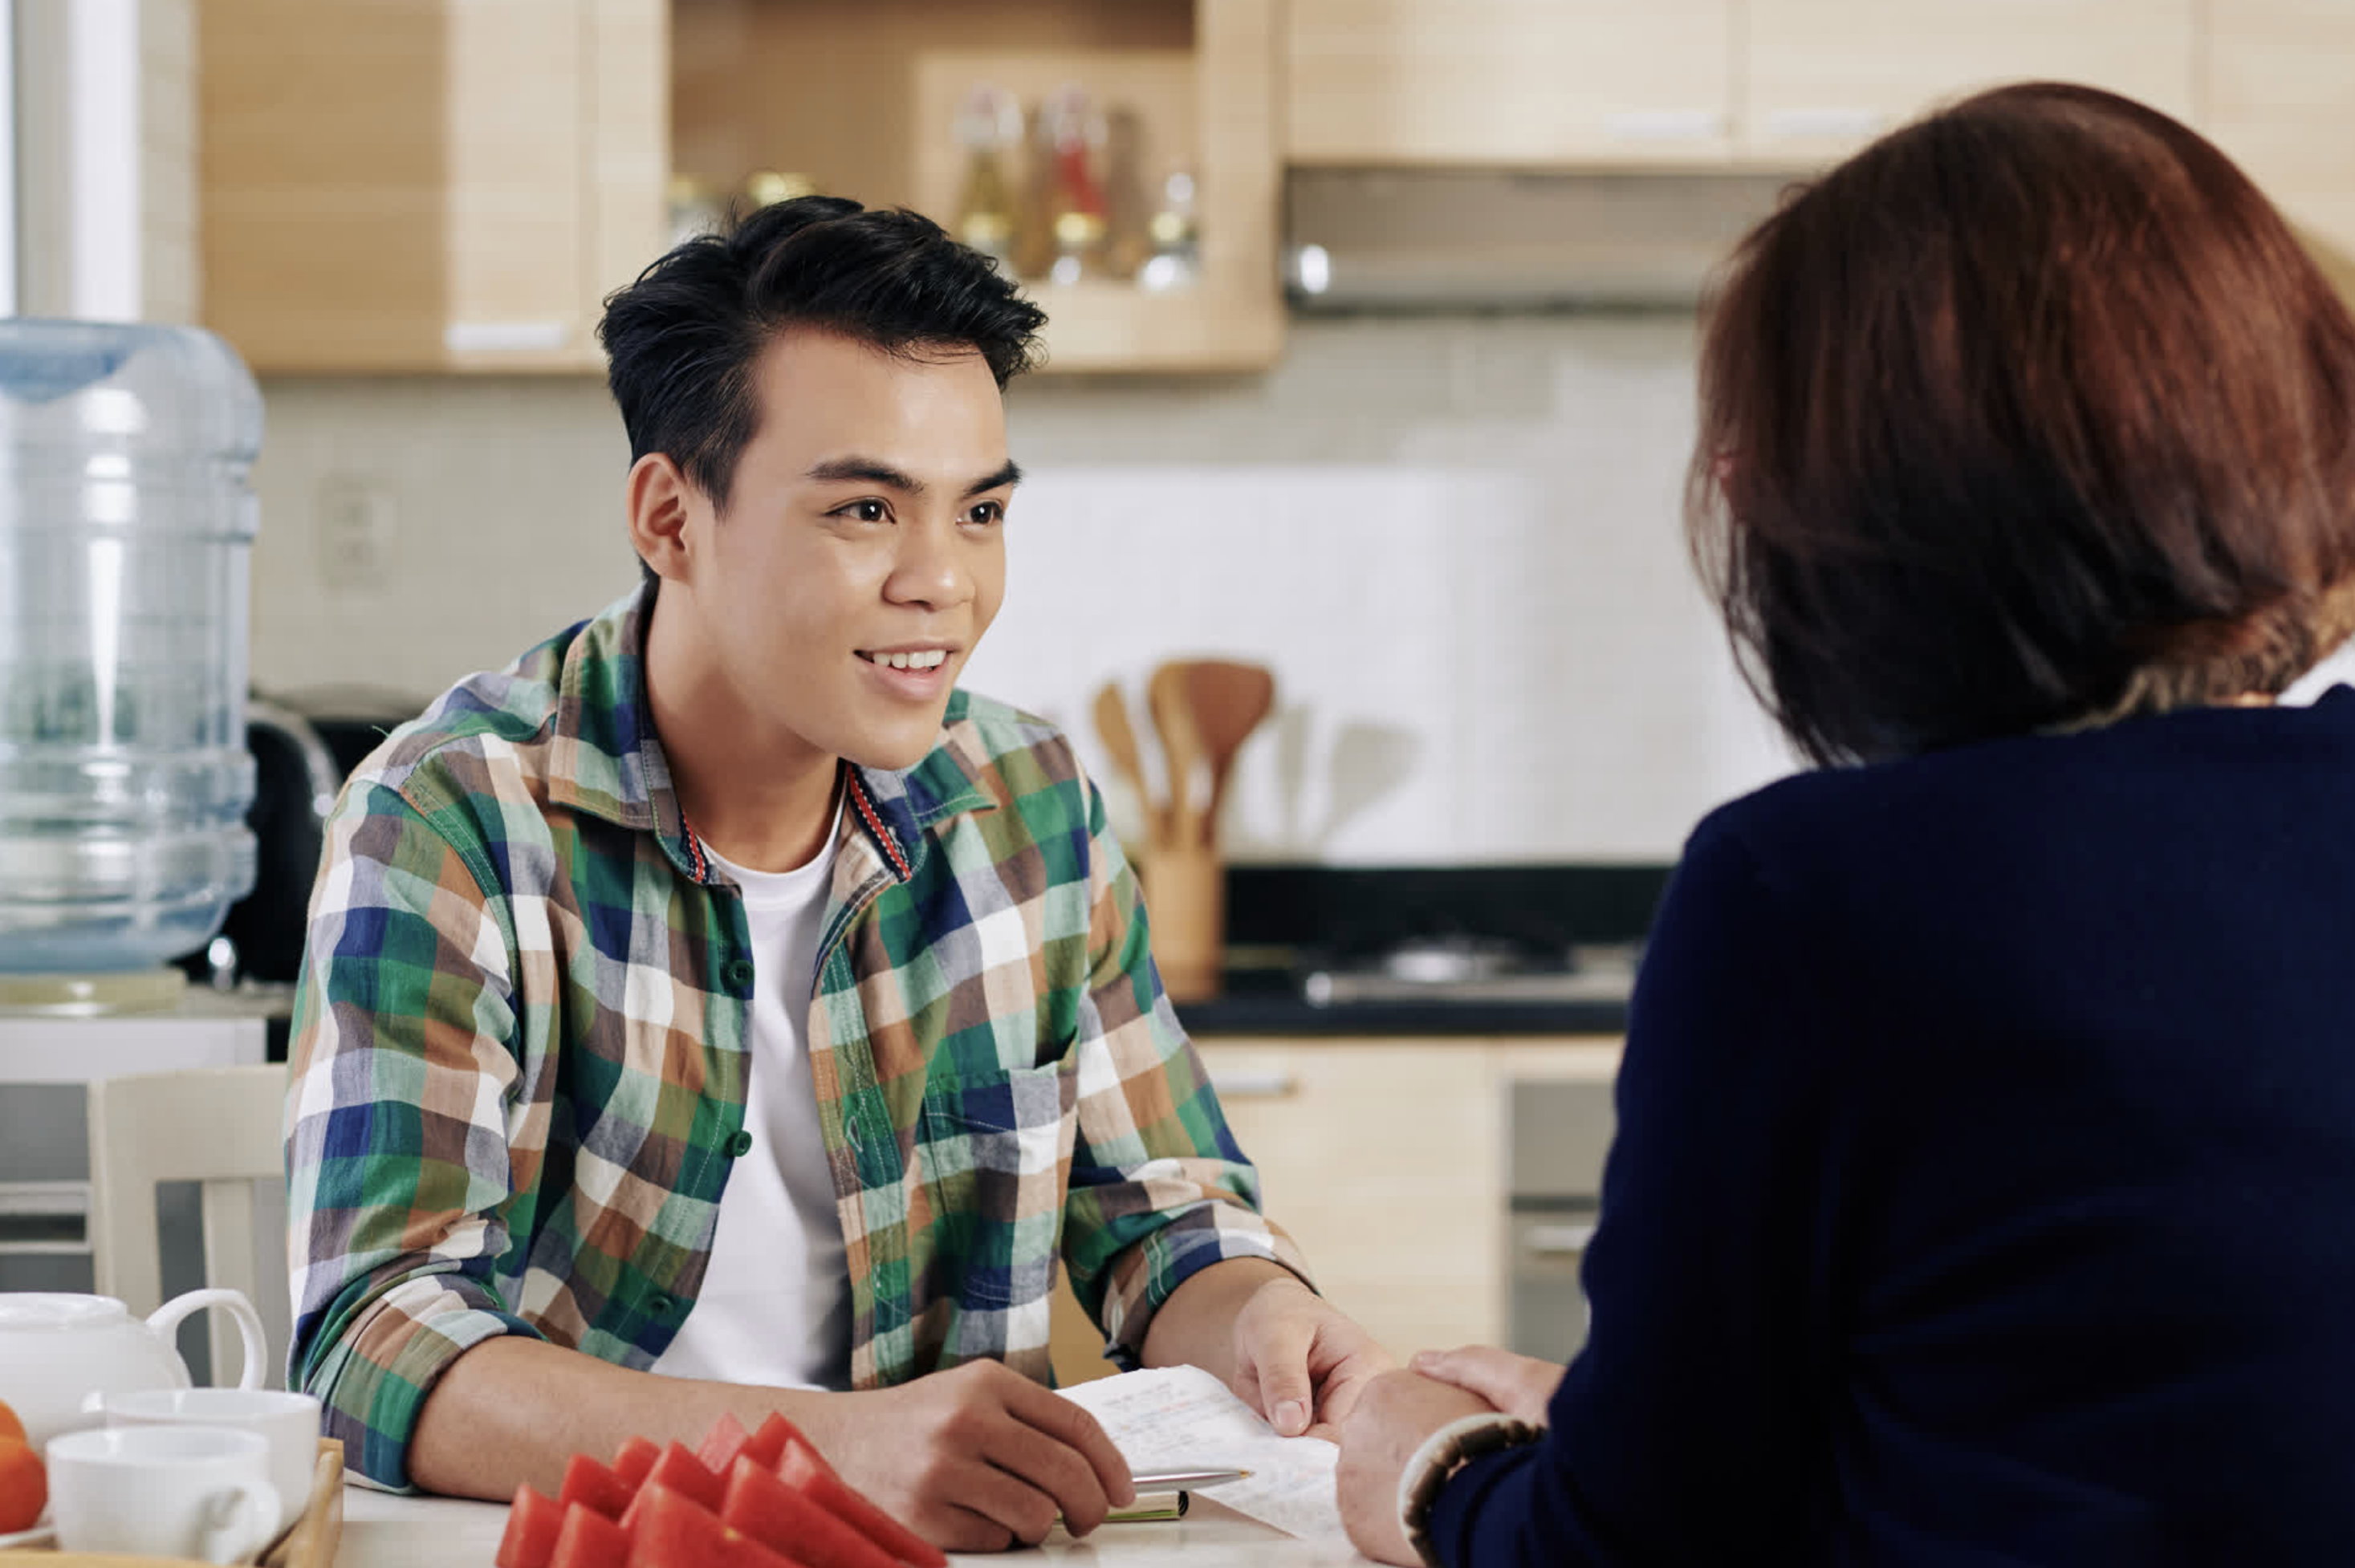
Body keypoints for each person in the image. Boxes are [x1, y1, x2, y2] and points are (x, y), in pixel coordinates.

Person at [1335, 80, 2355, 1566]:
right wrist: (1653, 1423)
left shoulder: (1816, 890)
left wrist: (1429, 1471)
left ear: (1853, 513)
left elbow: (1629, 1554)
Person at [283, 195, 1389, 1551]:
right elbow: (373, 1335)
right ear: (670, 518)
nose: (944, 581)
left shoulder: (1026, 802)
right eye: (867, 507)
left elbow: (1161, 1220)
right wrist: (829, 1451)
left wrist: (1264, 1313)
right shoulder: (451, 814)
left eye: (978, 511)